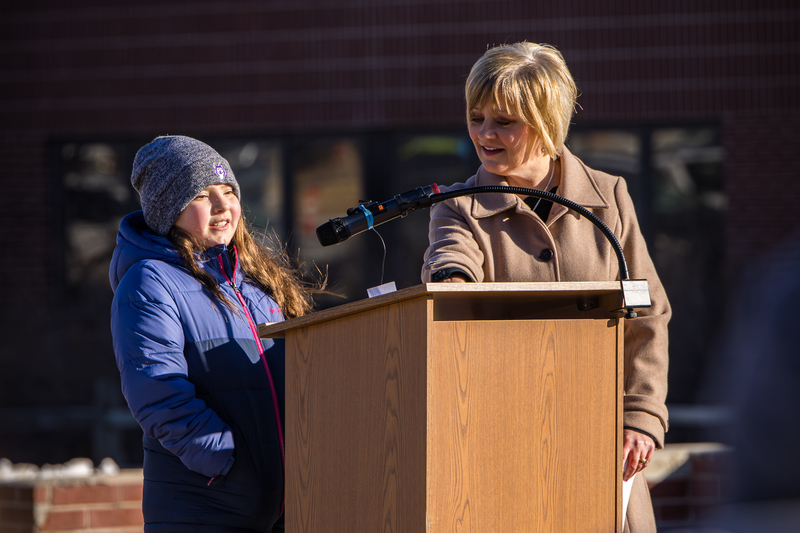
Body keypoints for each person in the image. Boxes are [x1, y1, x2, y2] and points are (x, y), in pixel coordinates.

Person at [421, 42, 670, 532]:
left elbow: (648, 312)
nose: (485, 134)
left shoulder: (609, 198)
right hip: (506, 451)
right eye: (476, 117)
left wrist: (641, 414)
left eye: (504, 121)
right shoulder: (456, 208)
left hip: (603, 450)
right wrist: (449, 280)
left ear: (546, 121)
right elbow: (450, 257)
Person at [110, 135, 312, 532]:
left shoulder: (256, 282)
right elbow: (157, 392)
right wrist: (226, 463)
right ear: (169, 209)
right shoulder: (150, 282)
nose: (224, 207)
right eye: (203, 195)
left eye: (229, 191)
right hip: (204, 507)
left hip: (277, 507)